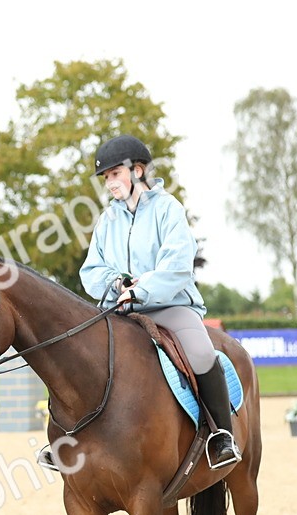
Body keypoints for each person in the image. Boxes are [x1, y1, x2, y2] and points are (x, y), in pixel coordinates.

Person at [73, 134, 240, 469]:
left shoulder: (168, 209)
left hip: (171, 305)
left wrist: (142, 290)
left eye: (114, 175)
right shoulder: (108, 220)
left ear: (137, 171)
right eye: (105, 178)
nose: (109, 184)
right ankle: (73, 436)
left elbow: (178, 264)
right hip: (120, 308)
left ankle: (222, 435)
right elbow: (91, 269)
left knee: (202, 351)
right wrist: (115, 282)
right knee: (81, 350)